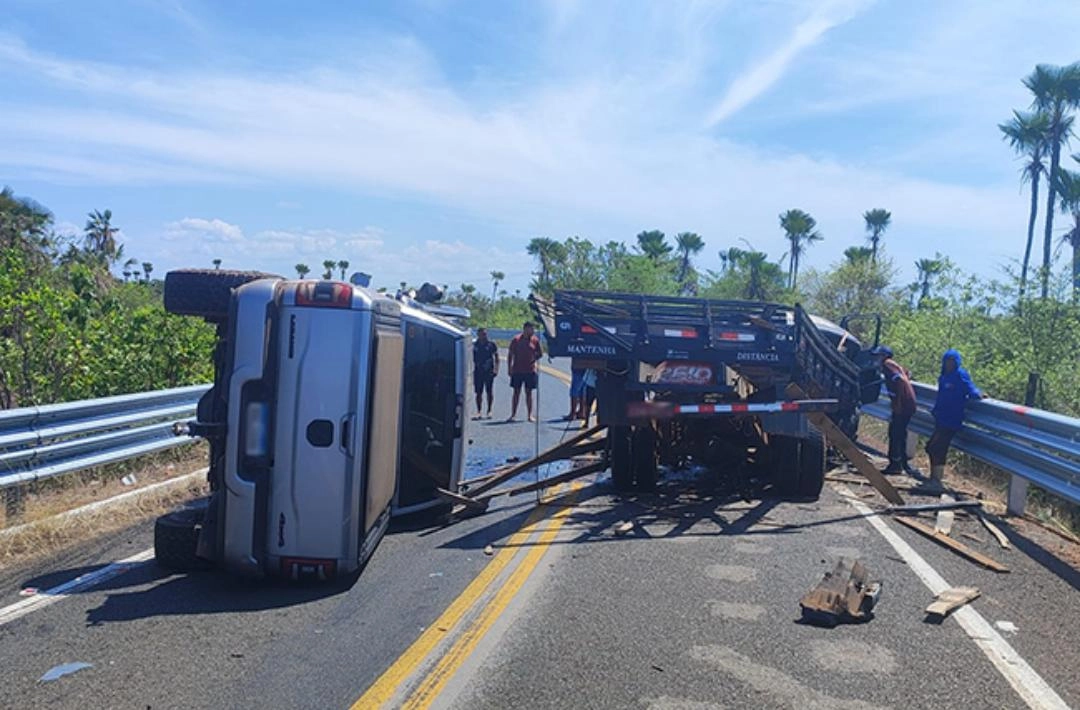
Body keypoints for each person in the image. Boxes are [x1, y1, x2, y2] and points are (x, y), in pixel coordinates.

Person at [926, 348, 988, 482]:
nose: (949, 364)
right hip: (940, 417)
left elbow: (970, 388)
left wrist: (978, 394)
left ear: (957, 362)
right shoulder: (943, 377)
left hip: (951, 418)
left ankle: (936, 479)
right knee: (934, 447)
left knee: (935, 446)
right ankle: (934, 476)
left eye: (952, 361)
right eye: (947, 361)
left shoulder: (960, 374)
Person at [871, 346, 917, 474]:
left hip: (903, 405)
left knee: (895, 433)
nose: (877, 359)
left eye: (879, 356)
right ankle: (903, 463)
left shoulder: (887, 365)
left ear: (884, 356)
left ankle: (895, 464)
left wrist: (898, 403)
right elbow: (906, 375)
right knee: (900, 433)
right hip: (907, 404)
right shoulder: (894, 365)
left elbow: (901, 381)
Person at [507, 321, 543, 422]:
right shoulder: (516, 340)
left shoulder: (535, 340)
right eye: (530, 329)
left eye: (533, 329)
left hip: (530, 370)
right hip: (517, 370)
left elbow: (540, 353)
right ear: (525, 329)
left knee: (529, 393)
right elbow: (510, 355)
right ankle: (513, 414)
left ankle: (529, 415)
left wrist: (534, 358)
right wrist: (509, 368)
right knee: (516, 392)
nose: (532, 331)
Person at [472, 328, 499, 419]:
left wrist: (496, 369)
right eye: (481, 334)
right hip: (478, 371)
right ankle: (478, 411)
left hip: (489, 371)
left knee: (489, 391)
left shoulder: (491, 344)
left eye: (485, 334)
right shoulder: (475, 345)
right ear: (478, 335)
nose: (484, 336)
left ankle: (489, 410)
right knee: (478, 392)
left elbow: (496, 357)